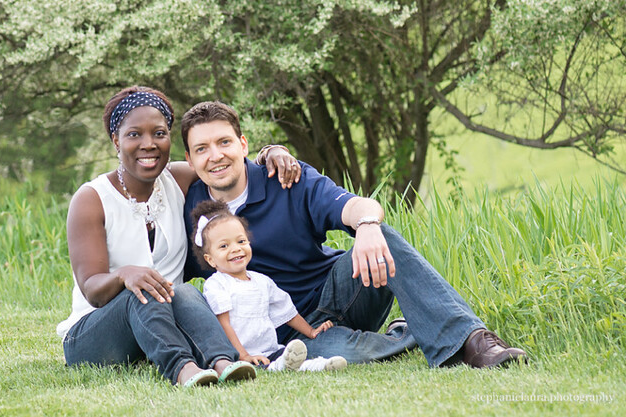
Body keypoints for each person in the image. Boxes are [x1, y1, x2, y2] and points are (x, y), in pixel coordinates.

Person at [181, 101, 528, 369]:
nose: (216, 156)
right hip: (289, 335)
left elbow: (357, 206)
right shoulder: (191, 208)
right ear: (190, 158)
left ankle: (473, 342)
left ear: (242, 144)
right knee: (343, 355)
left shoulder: (285, 178)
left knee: (383, 236)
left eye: (224, 142)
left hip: (343, 290)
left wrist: (367, 226)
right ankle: (406, 333)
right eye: (202, 149)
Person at [56, 86, 302, 387]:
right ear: (115, 141)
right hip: (94, 335)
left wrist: (271, 151)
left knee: (185, 291)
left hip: (162, 324)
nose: (149, 144)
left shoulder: (177, 179)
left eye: (159, 133)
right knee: (143, 288)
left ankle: (225, 362)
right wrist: (125, 275)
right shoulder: (92, 199)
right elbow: (92, 289)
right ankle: (184, 370)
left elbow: (224, 162)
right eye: (135, 135)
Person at [190, 200, 348, 372]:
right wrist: (243, 355)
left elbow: (286, 311)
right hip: (240, 354)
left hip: (271, 349)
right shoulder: (217, 284)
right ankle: (279, 366)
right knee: (273, 365)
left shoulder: (261, 281)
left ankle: (319, 365)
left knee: (287, 356)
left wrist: (311, 332)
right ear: (210, 259)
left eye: (241, 241)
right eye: (224, 246)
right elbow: (224, 324)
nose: (235, 249)